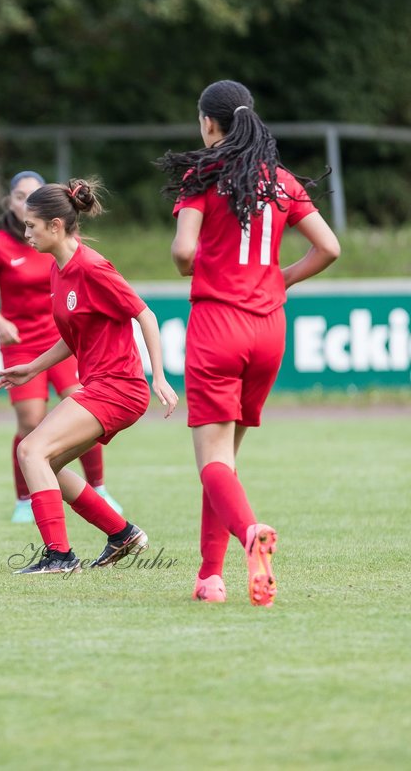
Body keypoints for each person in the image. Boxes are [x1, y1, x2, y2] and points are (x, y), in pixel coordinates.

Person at [157, 80, 340, 606]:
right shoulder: (282, 181)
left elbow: (185, 254)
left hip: (218, 324)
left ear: (208, 123)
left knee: (211, 460)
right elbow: (329, 247)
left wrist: (192, 260)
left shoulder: (204, 175)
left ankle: (249, 537)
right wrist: (277, 278)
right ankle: (209, 579)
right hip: (268, 329)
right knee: (224, 466)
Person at [0, 179, 178, 574]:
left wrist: (158, 376)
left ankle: (59, 556)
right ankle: (122, 533)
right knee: (48, 466)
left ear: (56, 226)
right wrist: (32, 367)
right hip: (102, 386)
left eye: (31, 226)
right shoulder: (59, 271)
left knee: (30, 449)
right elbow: (73, 336)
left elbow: (144, 314)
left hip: (119, 388)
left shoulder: (93, 267)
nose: (25, 234)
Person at [0, 170, 124, 523]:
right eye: (20, 196)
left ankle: (98, 487)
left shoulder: (60, 238)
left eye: (33, 195)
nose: (26, 201)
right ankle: (25, 497)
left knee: (81, 405)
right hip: (21, 344)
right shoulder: (0, 245)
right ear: (10, 202)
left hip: (63, 340)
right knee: (31, 422)